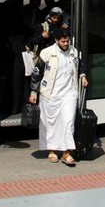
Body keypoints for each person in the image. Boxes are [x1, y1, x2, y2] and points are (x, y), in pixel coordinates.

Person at [28, 27, 88, 166]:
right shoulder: (46, 53)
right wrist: (33, 92)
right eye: (63, 41)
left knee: (68, 123)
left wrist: (82, 75)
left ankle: (67, 152)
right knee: (51, 124)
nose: (66, 44)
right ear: (56, 41)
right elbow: (37, 73)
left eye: (67, 41)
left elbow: (80, 65)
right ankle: (53, 150)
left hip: (69, 93)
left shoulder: (73, 51)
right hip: (50, 94)